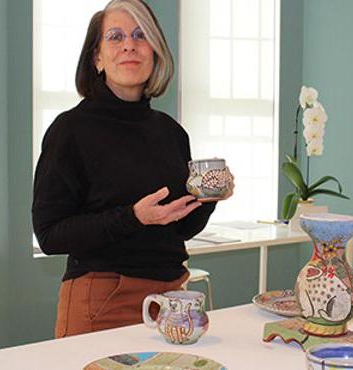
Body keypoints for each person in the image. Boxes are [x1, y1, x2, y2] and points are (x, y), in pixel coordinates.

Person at [32, 0, 233, 338]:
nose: (129, 44)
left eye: (141, 35)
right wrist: (133, 217)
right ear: (97, 57)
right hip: (103, 298)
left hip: (174, 296)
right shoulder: (70, 130)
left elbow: (179, 229)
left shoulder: (171, 132)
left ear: (155, 53)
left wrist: (209, 196)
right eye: (115, 36)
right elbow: (50, 235)